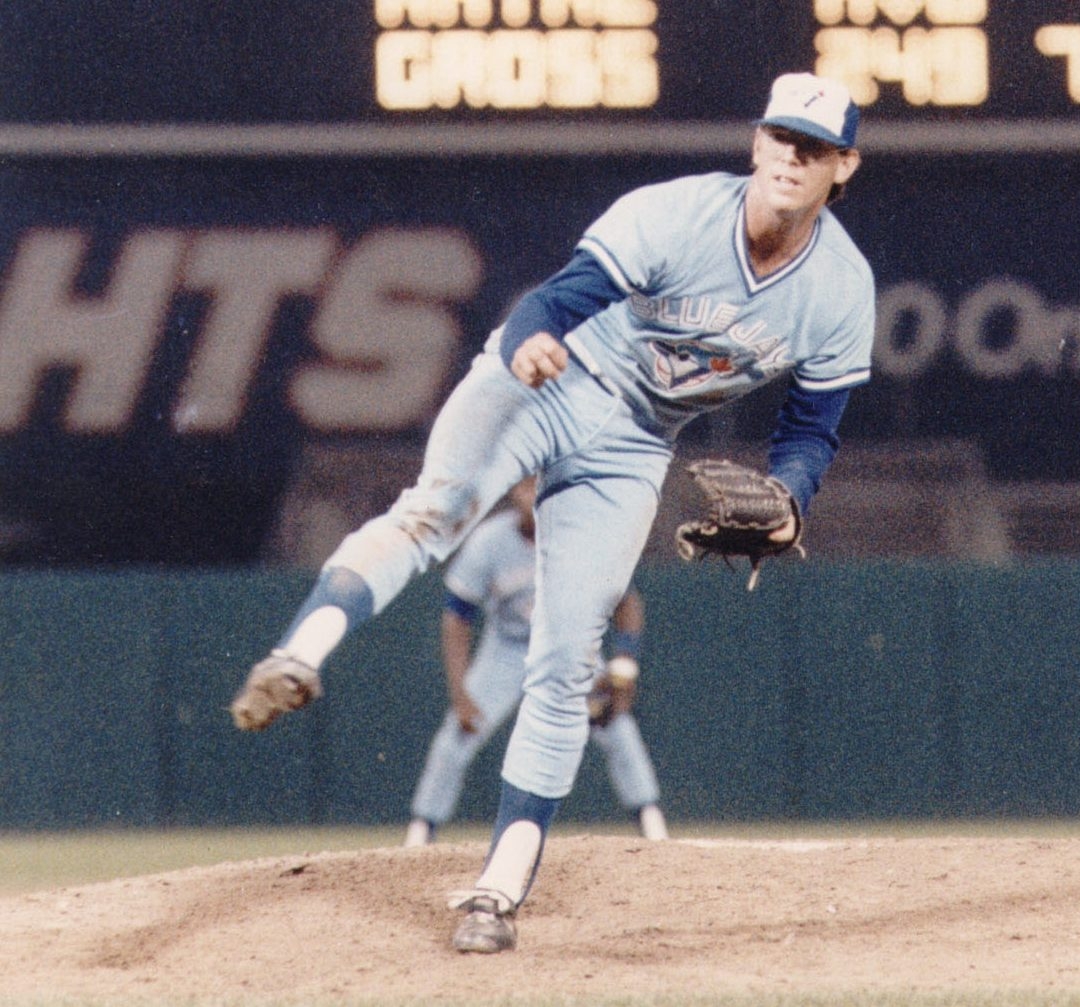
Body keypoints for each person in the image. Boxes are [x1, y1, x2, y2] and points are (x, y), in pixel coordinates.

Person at [230, 71, 874, 954]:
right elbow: (555, 298)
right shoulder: (673, 214)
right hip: (552, 378)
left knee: (570, 652)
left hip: (637, 443)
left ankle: (496, 891)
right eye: (779, 139)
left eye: (813, 148)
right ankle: (297, 655)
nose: (790, 160)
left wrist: (792, 498)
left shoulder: (840, 288)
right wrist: (531, 337)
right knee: (436, 513)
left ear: (844, 165)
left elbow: (811, 429)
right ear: (755, 142)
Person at [403, 476, 668, 847]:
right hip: (507, 649)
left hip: (567, 647)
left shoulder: (580, 536)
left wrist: (624, 668)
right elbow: (456, 616)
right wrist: (459, 689)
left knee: (618, 727)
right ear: (513, 491)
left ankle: (652, 824)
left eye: (538, 485)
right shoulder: (490, 542)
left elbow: (627, 602)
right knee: (456, 734)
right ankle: (420, 832)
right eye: (525, 486)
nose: (531, 495)